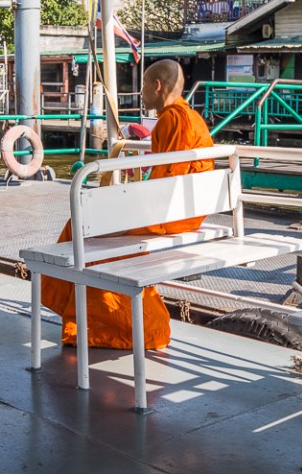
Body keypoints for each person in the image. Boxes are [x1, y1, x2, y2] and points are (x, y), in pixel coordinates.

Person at [41, 60, 214, 350]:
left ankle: (107, 327)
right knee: (87, 222)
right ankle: (89, 317)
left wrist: (126, 204)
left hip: (172, 214)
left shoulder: (172, 119)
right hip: (187, 210)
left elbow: (163, 183)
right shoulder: (191, 117)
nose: (141, 93)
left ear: (157, 86)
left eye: (144, 86)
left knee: (85, 227)